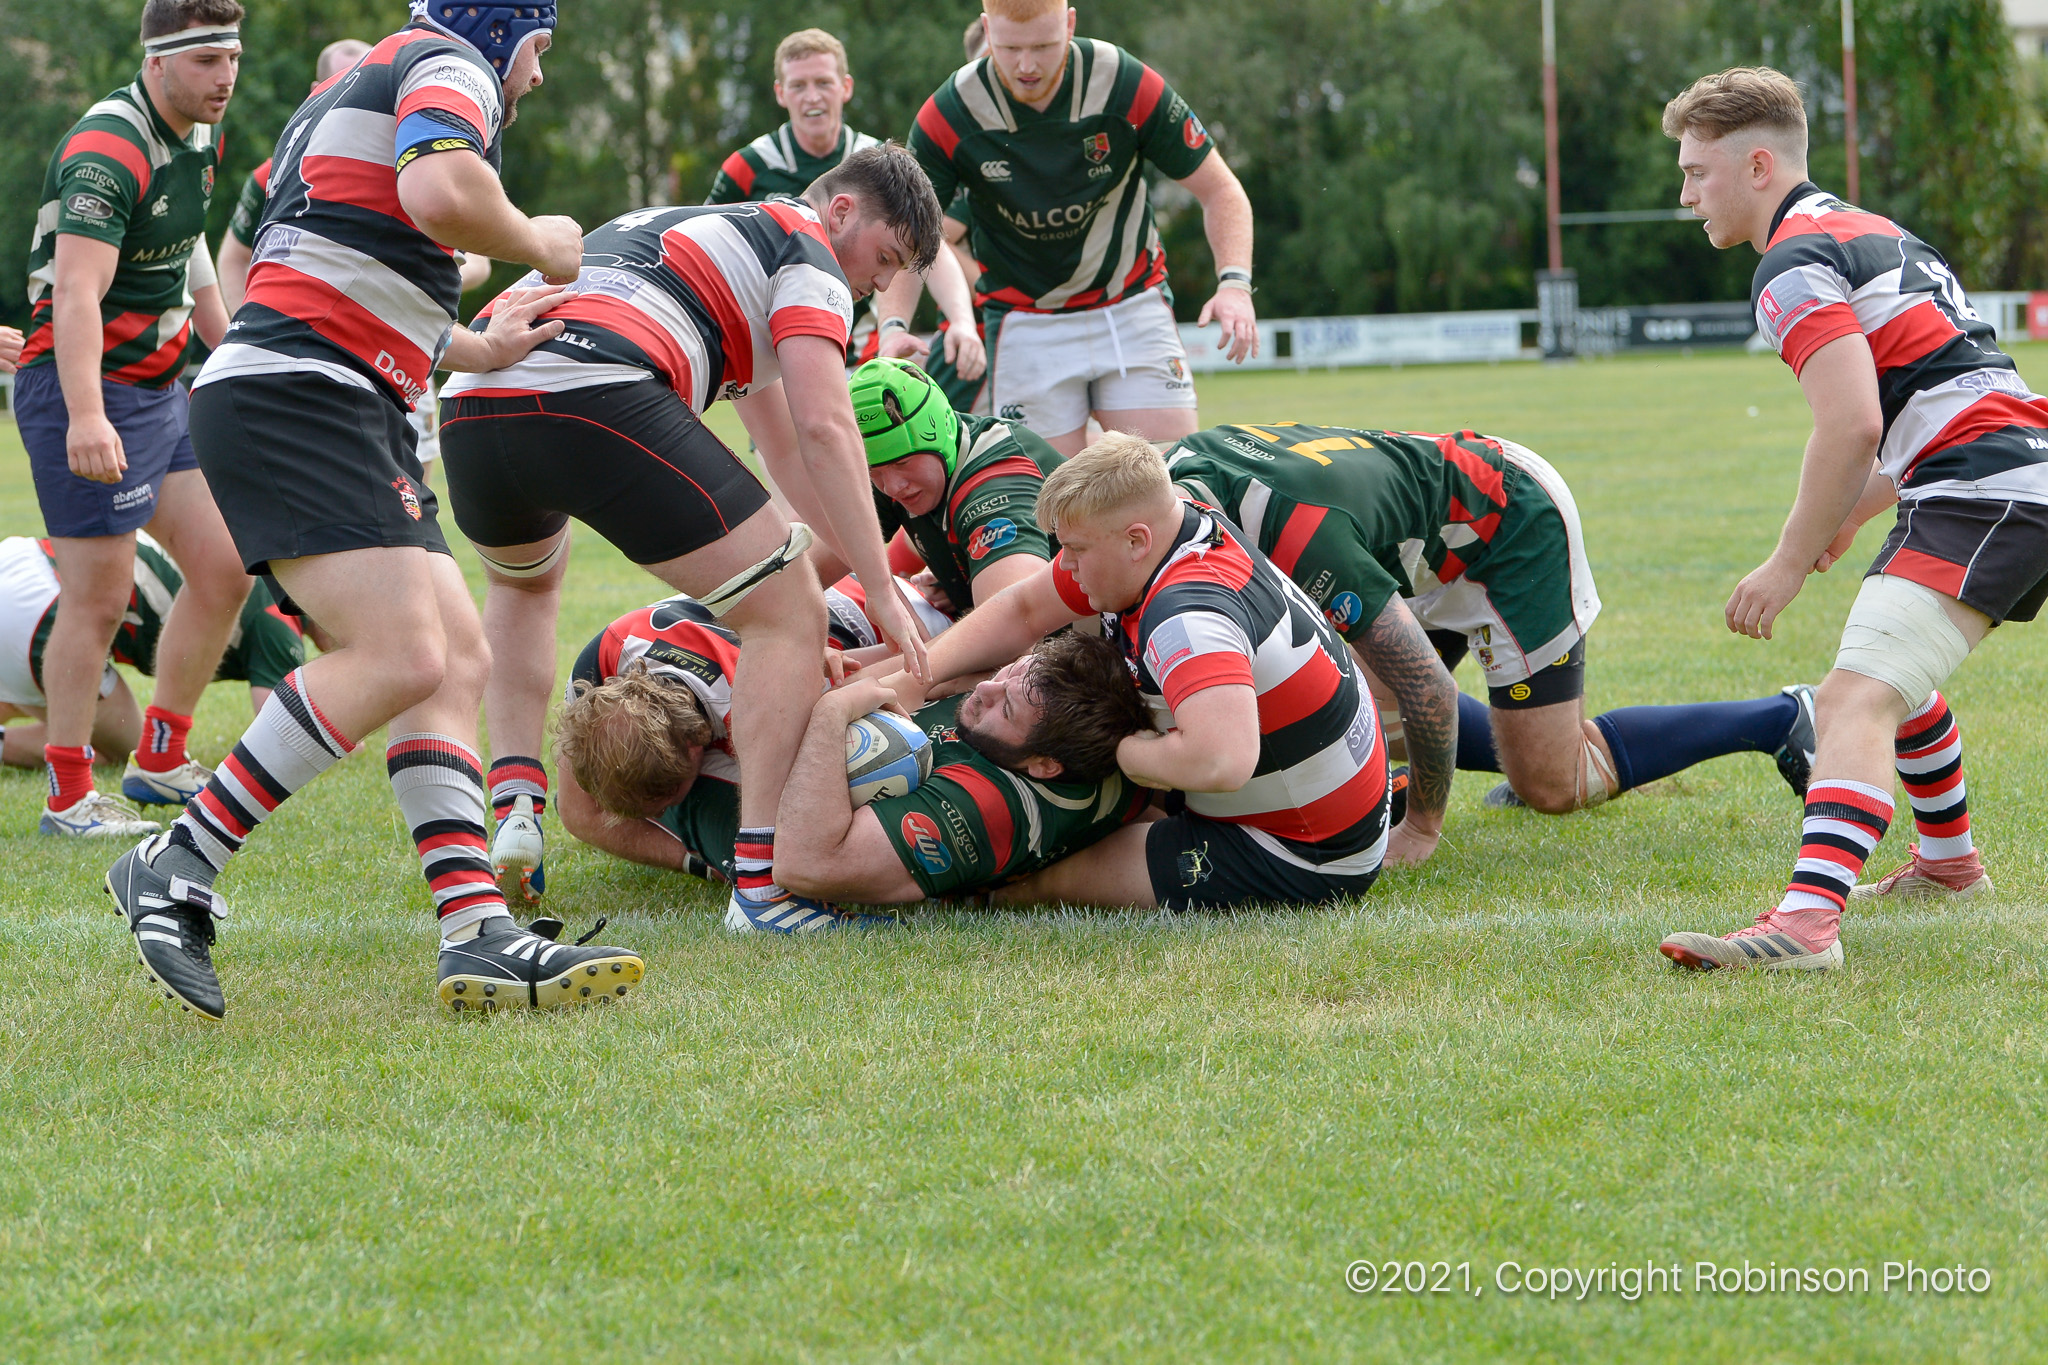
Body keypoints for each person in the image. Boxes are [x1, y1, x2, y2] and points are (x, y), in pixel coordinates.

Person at [105, 0, 648, 1021]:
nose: (533, 80)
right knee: (402, 654)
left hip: (324, 389)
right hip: (305, 393)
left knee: (453, 653)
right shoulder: (455, 63)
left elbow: (339, 257)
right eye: (539, 51)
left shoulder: (371, 78)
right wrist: (545, 242)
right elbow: (441, 192)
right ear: (506, 31)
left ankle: (474, 928)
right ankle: (177, 861)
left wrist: (481, 348)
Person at [435, 144, 943, 933]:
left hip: (471, 404)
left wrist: (841, 560)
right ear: (841, 212)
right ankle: (766, 885)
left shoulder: (720, 238)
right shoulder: (804, 246)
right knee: (785, 612)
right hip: (589, 387)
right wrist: (877, 589)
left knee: (524, 585)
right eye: (885, 259)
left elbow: (780, 449)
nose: (878, 287)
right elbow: (823, 424)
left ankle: (517, 810)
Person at [1653, 68, 2041, 972]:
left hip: (1980, 485)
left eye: (1696, 173)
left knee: (1852, 700)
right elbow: (1936, 390)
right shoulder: (1863, 228)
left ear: (1757, 165)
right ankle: (1949, 867)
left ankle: (1805, 927)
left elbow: (1855, 420)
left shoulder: (1789, 265)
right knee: (1891, 677)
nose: (1685, 195)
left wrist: (1788, 560)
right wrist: (1851, 513)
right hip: (2002, 475)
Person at [1159, 421, 1820, 863]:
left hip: (1509, 527)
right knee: (1349, 720)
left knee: (1556, 783)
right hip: (1420, 542)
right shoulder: (1170, 478)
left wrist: (1421, 826)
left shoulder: (1297, 533)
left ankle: (1783, 717)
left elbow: (1428, 687)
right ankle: (1520, 744)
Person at [879, 433, 1391, 910]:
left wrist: (1115, 753)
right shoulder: (1174, 528)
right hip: (1333, 794)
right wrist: (903, 681)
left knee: (1030, 878)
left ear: (1136, 540)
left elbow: (1221, 762)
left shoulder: (1186, 618)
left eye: (1076, 549)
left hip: (1304, 850)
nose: (1066, 564)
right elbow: (1023, 610)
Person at [17, 0, 255, 837]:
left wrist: (228, 355)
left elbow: (190, 251)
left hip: (159, 390)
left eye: (231, 58)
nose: (225, 77)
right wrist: (86, 414)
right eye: (205, 62)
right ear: (157, 62)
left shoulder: (198, 132)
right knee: (99, 598)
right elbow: (76, 292)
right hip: (82, 391)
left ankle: (158, 757)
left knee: (228, 565)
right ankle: (70, 797)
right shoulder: (106, 147)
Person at [552, 602, 1152, 909]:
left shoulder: (982, 802)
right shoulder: (602, 662)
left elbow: (798, 864)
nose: (987, 688)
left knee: (753, 836)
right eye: (1008, 674)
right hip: (820, 640)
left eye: (1006, 704)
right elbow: (579, 814)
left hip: (846, 647)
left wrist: (835, 709)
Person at [883, 0, 1259, 456]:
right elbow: (908, 233)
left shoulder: (1124, 82)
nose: (1026, 65)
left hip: (1130, 303)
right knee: (1050, 501)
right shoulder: (950, 112)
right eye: (1008, 48)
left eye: (1043, 46)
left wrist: (1235, 283)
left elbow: (1220, 189)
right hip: (1025, 321)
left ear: (1071, 23)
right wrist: (893, 326)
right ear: (986, 28)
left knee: (1171, 478)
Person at [216, 37, 490, 465]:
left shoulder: (422, 160)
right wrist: (241, 328)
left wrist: (414, 293)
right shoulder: (277, 172)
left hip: (409, 350)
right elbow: (232, 256)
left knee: (414, 494)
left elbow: (479, 260)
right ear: (320, 90)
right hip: (311, 361)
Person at [707, 28, 985, 387]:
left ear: (846, 87)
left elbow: (928, 247)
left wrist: (960, 320)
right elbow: (716, 255)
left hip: (863, 361)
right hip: (778, 367)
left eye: (823, 82)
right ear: (780, 92)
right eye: (798, 85)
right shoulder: (746, 168)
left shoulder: (881, 165)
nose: (812, 97)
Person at [0, 532, 305, 770]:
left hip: (20, 557)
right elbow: (288, 734)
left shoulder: (250, 559)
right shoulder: (276, 617)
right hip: (43, 604)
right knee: (131, 748)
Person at [843, 357, 1063, 613]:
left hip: (1086, 646)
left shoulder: (997, 481)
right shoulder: (896, 472)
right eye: (873, 470)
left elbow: (1012, 629)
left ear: (942, 433)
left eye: (903, 463)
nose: (891, 487)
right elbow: (809, 561)